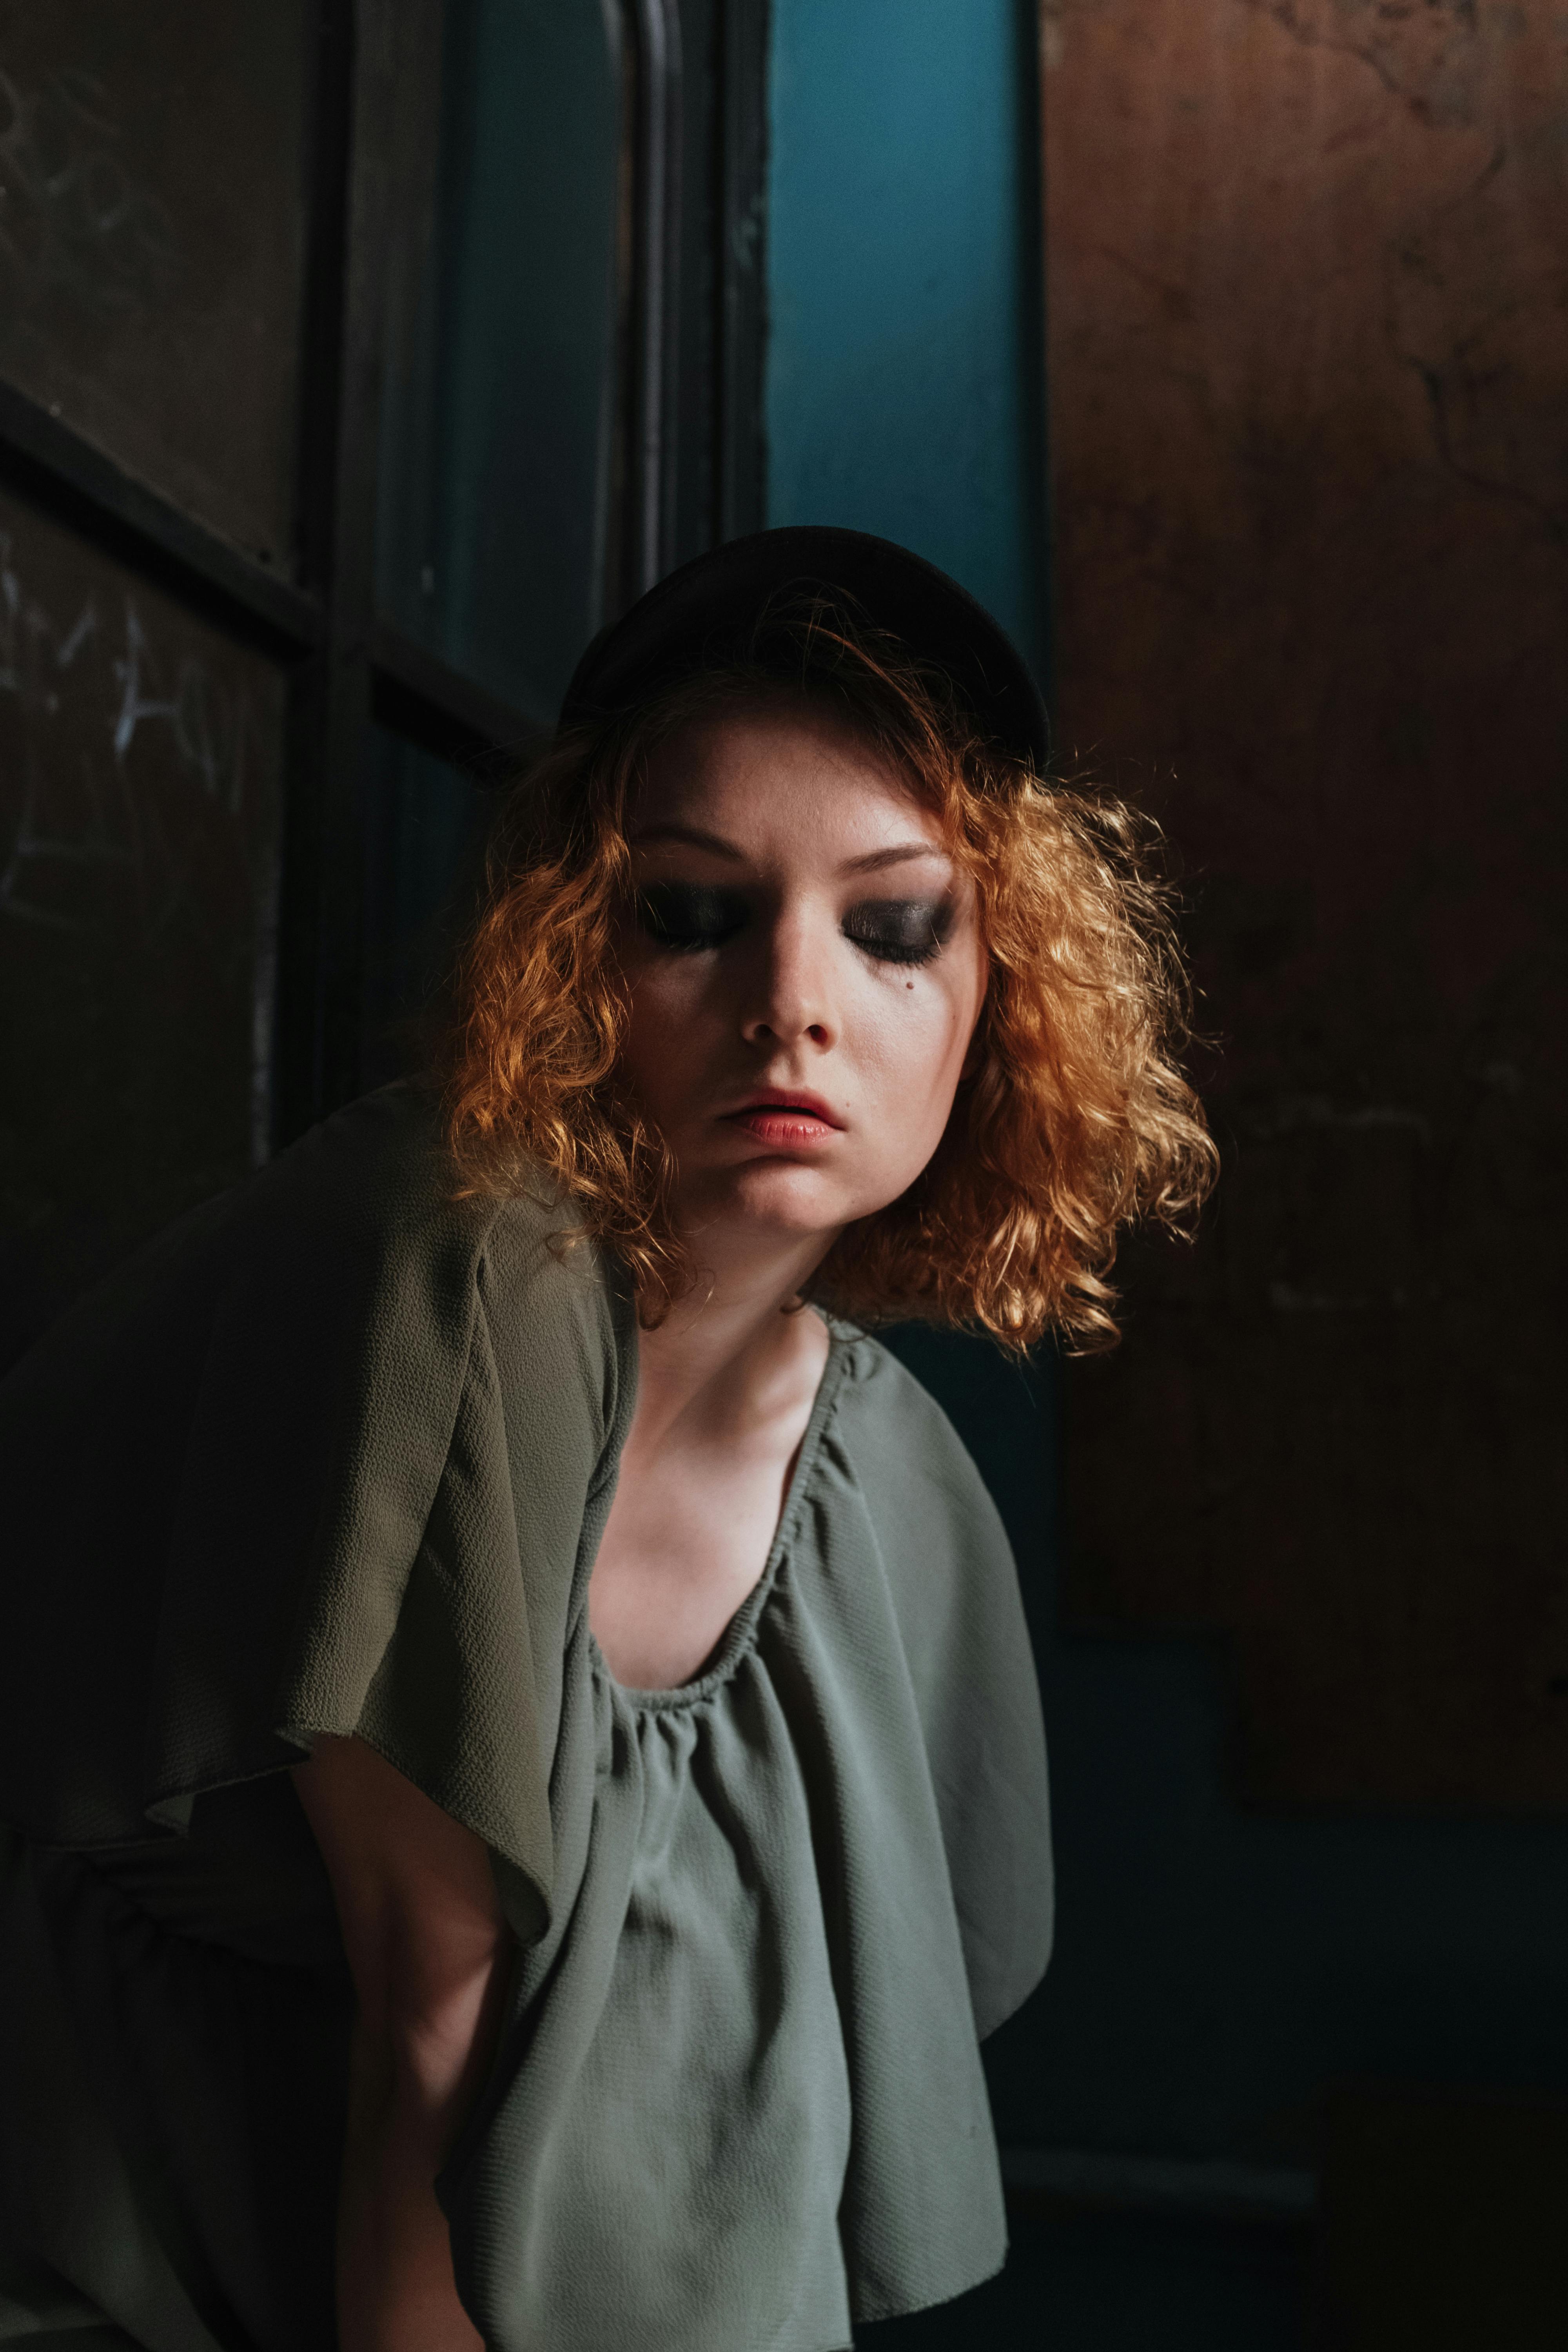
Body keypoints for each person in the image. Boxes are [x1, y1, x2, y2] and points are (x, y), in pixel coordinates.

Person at [0, 528, 1214, 2352]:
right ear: (572, 957)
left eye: (891, 927)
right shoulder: (455, 1271)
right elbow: (437, 2059)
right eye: (689, 911)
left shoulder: (881, 1482)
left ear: (1004, 998)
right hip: (106, 2234)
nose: (791, 1003)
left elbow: (747, 2149)